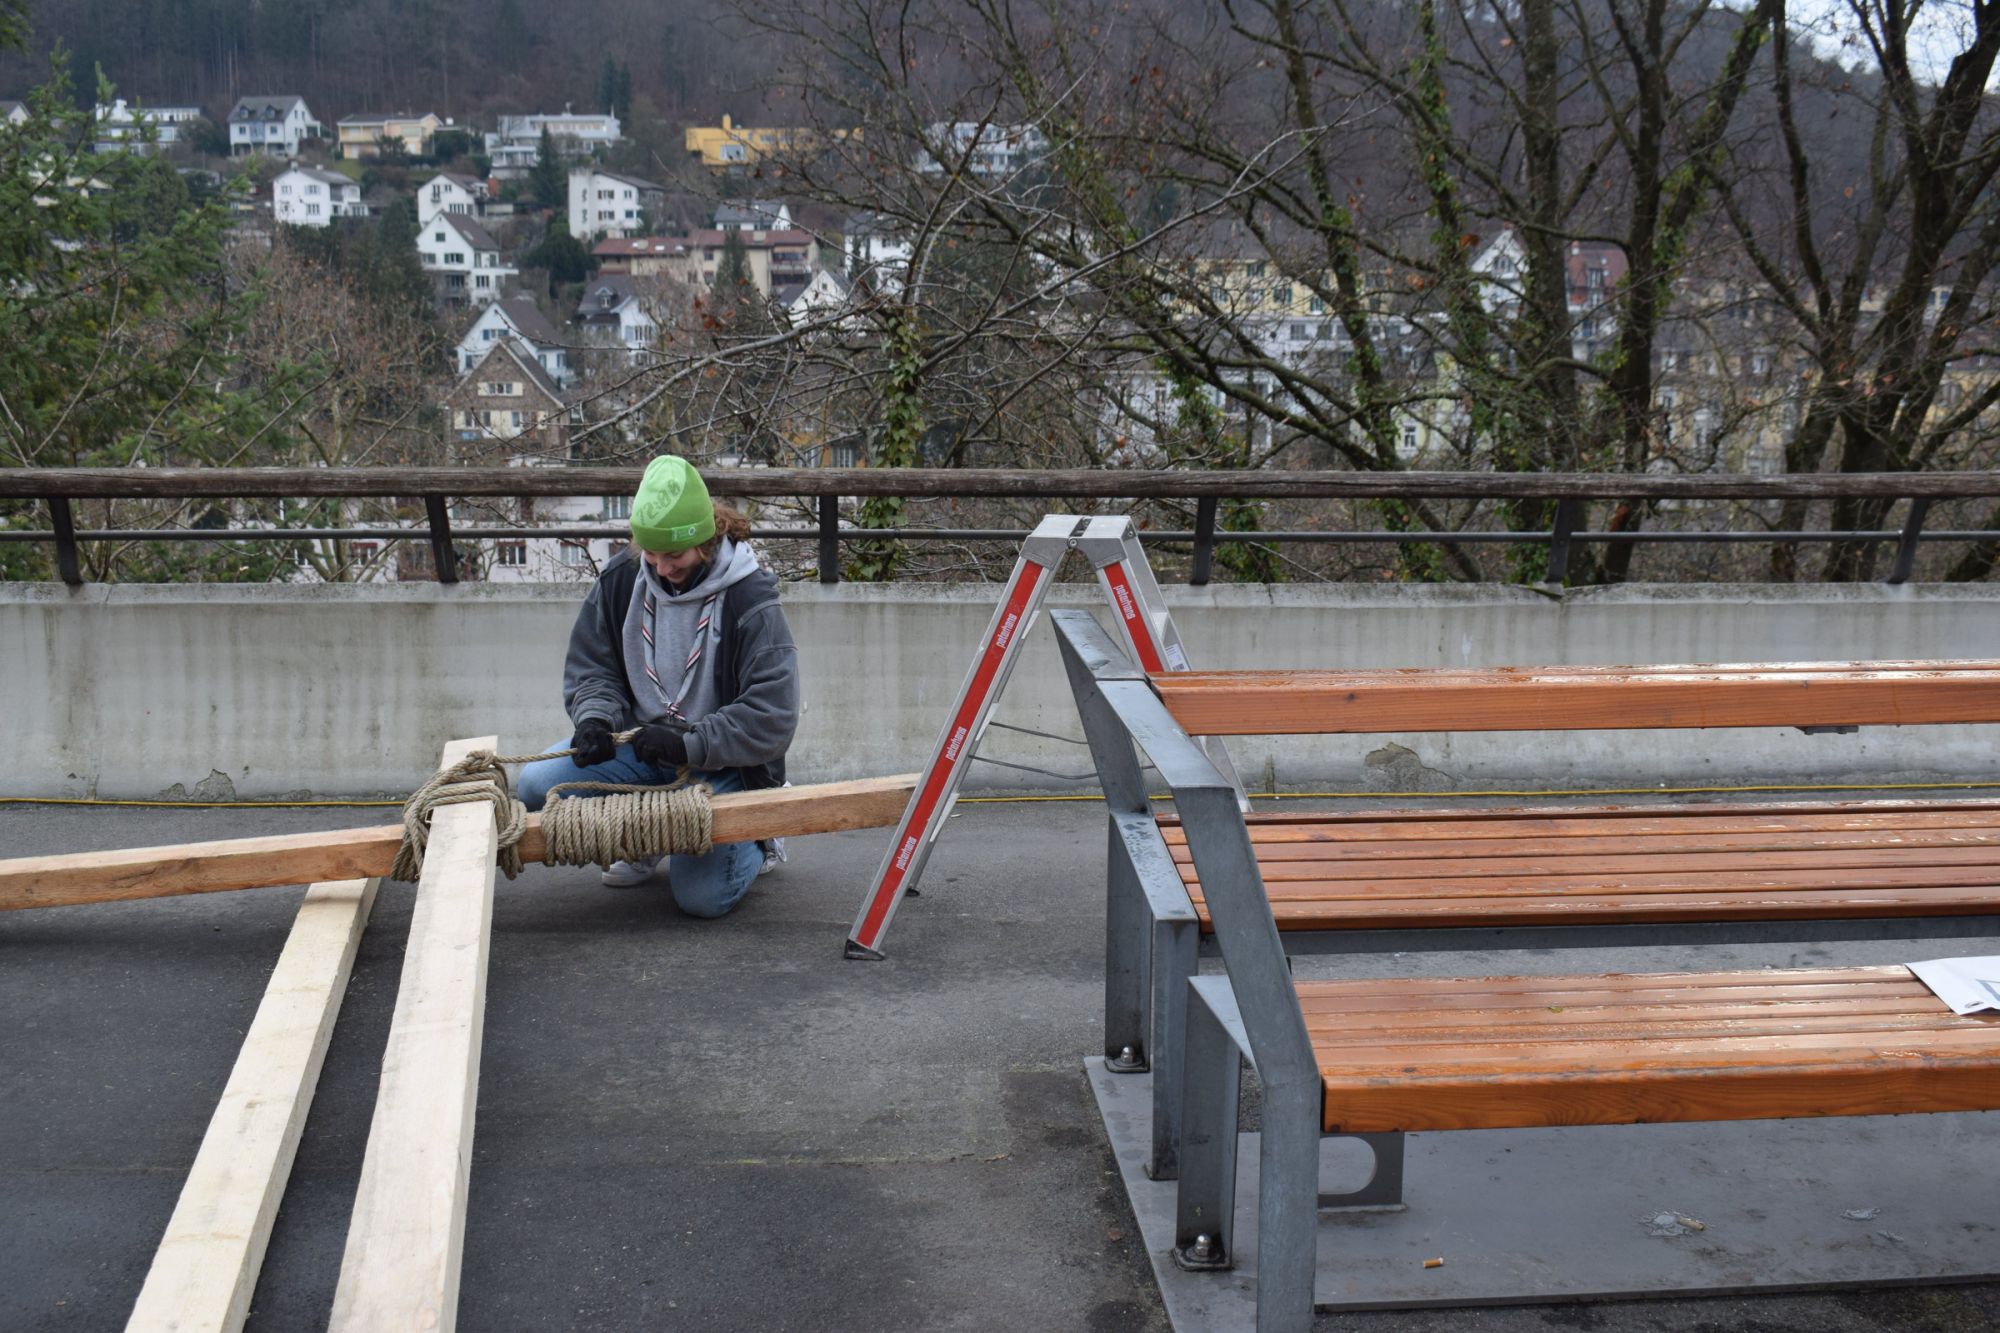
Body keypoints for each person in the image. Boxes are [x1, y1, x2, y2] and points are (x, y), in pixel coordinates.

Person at [518, 455, 799, 918]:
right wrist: (595, 718)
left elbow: (773, 714)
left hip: (722, 763)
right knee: (536, 784)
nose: (662, 568)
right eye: (651, 553)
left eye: (675, 556)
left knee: (702, 899)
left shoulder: (751, 599)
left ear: (704, 542)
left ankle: (761, 838)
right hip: (642, 746)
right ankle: (646, 835)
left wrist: (689, 744)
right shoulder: (620, 579)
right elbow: (593, 668)